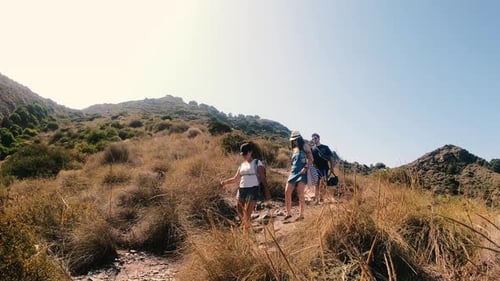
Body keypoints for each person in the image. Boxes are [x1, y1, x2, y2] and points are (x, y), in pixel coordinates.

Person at [220, 142, 268, 230]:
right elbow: (235, 178)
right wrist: (225, 182)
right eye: (243, 154)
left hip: (253, 189)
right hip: (242, 189)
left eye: (246, 153)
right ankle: (246, 229)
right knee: (240, 212)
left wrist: (266, 191)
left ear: (250, 152)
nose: (244, 155)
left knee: (247, 214)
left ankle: (246, 232)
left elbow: (262, 177)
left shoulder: (257, 162)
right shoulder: (242, 165)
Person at [284, 131, 309, 221]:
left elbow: (311, 159)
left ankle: (301, 215)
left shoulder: (305, 146)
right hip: (293, 172)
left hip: (302, 172)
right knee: (287, 191)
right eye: (293, 140)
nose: (294, 141)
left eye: (296, 139)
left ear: (299, 138)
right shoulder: (294, 149)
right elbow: (293, 162)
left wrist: (305, 167)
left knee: (300, 192)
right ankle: (288, 214)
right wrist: (289, 170)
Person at [310, 133, 336, 204]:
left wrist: (332, 167)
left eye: (315, 138)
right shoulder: (312, 148)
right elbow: (310, 159)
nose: (314, 140)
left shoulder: (325, 147)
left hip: (324, 168)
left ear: (319, 138)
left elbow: (331, 158)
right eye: (313, 139)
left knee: (323, 183)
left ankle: (321, 198)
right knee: (316, 183)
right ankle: (316, 199)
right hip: (315, 168)